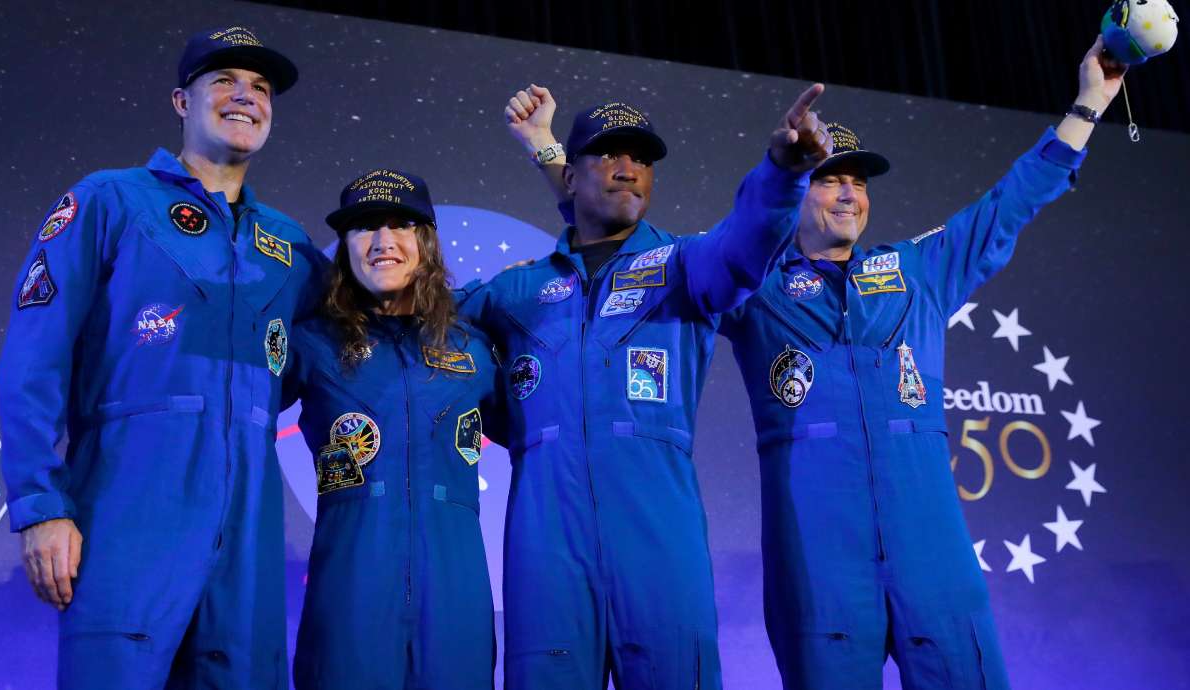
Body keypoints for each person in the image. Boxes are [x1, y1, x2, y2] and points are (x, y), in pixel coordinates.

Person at [714, 36, 1126, 689]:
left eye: (857, 181)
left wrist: (1088, 103)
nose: (849, 194)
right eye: (829, 179)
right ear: (797, 193)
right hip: (817, 559)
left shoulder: (914, 271)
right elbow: (726, 241)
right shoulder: (749, 287)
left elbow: (1007, 206)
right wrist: (775, 173)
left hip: (931, 552)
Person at [459, 85, 829, 689]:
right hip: (545, 549)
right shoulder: (516, 291)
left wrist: (783, 174)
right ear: (569, 176)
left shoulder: (686, 268)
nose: (628, 168)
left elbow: (747, 246)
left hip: (659, 546)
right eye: (607, 156)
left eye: (641, 158)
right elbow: (423, 321)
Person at [0, 26, 326, 688]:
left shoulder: (288, 246)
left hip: (248, 520)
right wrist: (41, 504)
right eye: (224, 82)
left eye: (260, 88)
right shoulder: (108, 200)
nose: (246, 97)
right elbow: (35, 358)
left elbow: (347, 346)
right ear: (182, 101)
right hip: (129, 506)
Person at [287, 169, 501, 690]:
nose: (384, 241)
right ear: (344, 246)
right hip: (350, 594)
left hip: (457, 599)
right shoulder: (312, 343)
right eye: (364, 227)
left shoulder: (473, 348)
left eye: (401, 225)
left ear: (425, 241)